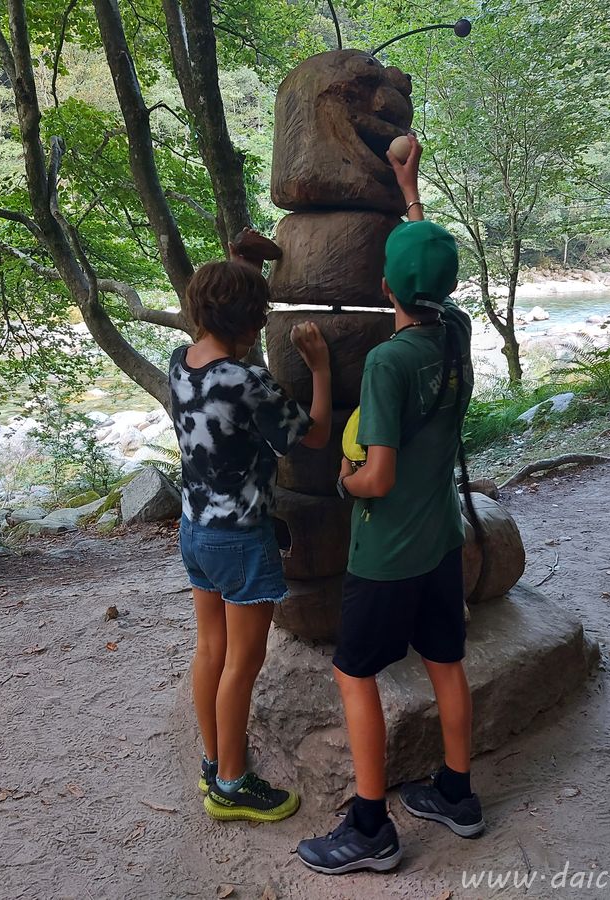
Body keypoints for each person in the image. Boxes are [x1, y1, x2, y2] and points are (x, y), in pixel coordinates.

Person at [296, 135, 484, 874]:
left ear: (385, 290)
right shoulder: (457, 333)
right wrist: (410, 187)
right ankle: (457, 794)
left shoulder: (387, 362)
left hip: (386, 552)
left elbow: (374, 477)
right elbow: (428, 267)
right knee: (445, 661)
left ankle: (370, 827)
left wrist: (343, 480)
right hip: (441, 538)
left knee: (355, 673)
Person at [169, 242, 332, 823]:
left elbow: (227, 321)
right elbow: (309, 437)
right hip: (240, 537)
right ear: (249, 321)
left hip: (195, 531)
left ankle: (215, 762)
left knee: (210, 649)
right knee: (243, 660)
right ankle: (233, 786)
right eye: (260, 311)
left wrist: (243, 270)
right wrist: (318, 368)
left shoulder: (181, 362)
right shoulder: (250, 380)